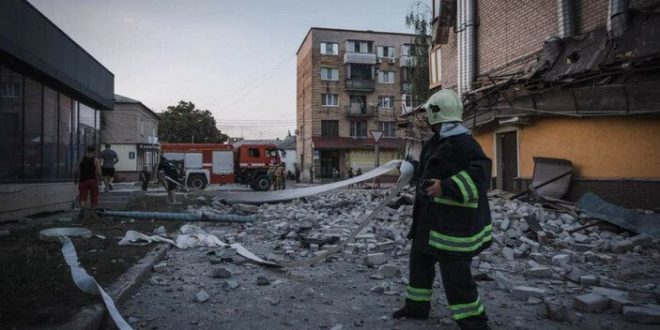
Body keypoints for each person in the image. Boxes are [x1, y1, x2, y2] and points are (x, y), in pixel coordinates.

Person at [393, 89, 492, 330]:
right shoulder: (434, 143)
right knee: (419, 266)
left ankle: (474, 323)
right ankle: (416, 308)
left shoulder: (464, 143)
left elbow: (481, 174)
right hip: (429, 223)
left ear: (436, 118)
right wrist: (410, 168)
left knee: (457, 280)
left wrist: (446, 187)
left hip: (452, 229)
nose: (427, 122)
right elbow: (427, 170)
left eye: (428, 117)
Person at [74, 145, 101, 222]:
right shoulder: (96, 160)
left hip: (83, 181)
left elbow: (76, 170)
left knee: (83, 197)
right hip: (93, 180)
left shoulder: (81, 159)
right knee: (94, 196)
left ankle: (82, 210)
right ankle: (93, 213)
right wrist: (100, 180)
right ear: (94, 151)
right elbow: (99, 172)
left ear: (87, 150)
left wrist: (75, 178)